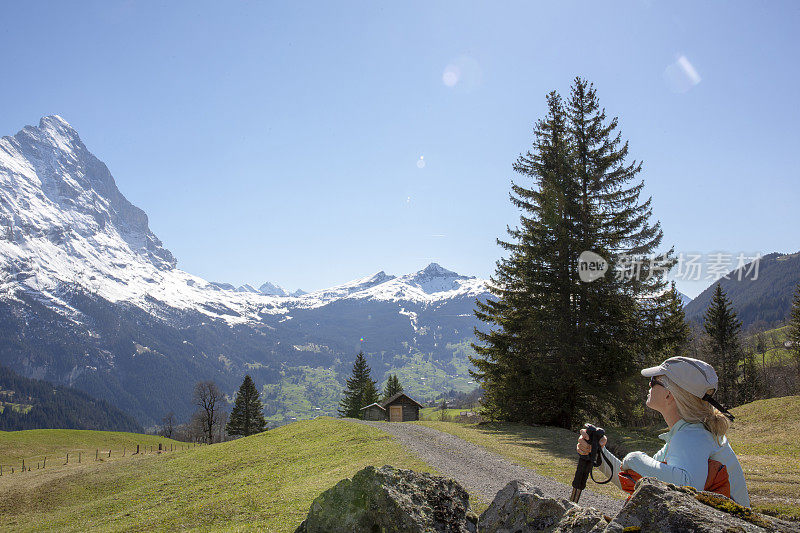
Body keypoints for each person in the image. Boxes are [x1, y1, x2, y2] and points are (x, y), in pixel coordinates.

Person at [576, 356, 750, 507]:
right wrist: (598, 453)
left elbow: (688, 487)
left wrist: (635, 458)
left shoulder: (693, 436)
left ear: (669, 394)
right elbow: (634, 480)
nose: (649, 385)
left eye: (653, 381)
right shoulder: (688, 433)